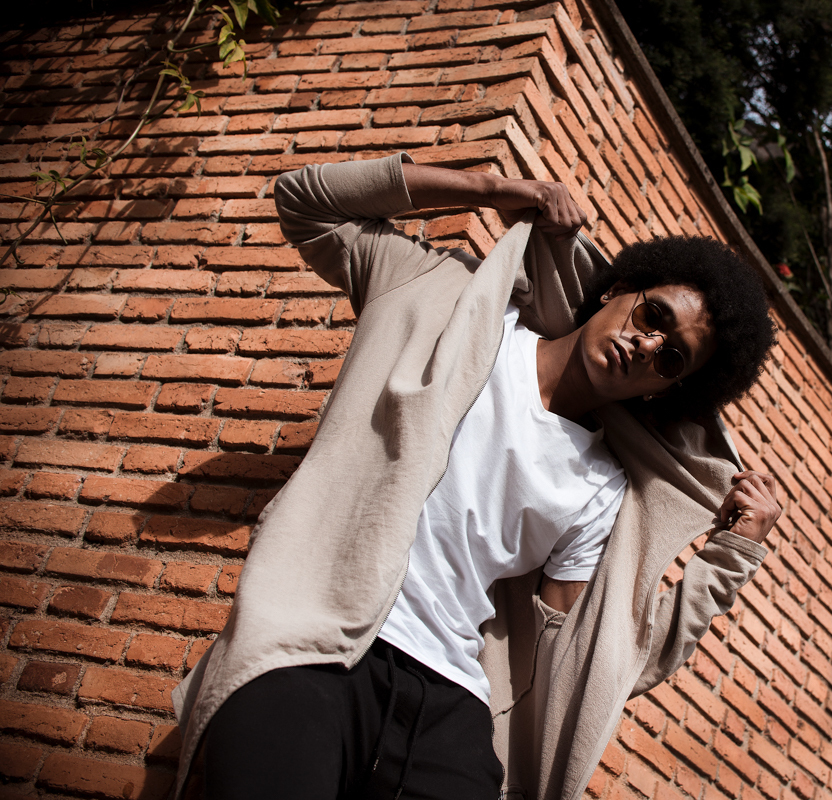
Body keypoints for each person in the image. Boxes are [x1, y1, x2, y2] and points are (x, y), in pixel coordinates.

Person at [170, 152, 781, 800]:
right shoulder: (446, 300)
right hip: (311, 646)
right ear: (615, 290)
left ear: (666, 390)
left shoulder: (602, 491)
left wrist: (729, 558)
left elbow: (598, 658)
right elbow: (305, 201)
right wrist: (492, 190)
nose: (647, 345)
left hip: (448, 703)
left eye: (672, 358)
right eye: (652, 316)